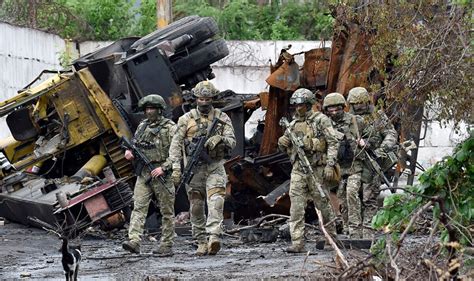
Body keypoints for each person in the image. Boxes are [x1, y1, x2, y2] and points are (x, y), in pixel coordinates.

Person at [168, 81, 236, 256]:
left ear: (212, 99)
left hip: (215, 166)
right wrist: (176, 168)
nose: (204, 102)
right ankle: (200, 240)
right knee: (196, 207)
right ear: (195, 99)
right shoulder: (185, 119)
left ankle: (214, 236)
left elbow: (232, 142)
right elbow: (175, 145)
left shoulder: (222, 118)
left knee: (216, 201)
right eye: (201, 99)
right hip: (194, 170)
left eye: (207, 99)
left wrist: (219, 139)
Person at [278, 88, 339, 253]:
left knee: (323, 204)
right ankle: (297, 242)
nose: (298, 108)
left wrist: (330, 165)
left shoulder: (321, 120)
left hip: (317, 168)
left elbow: (333, 142)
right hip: (298, 169)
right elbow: (286, 147)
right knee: (296, 206)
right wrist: (283, 142)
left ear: (309, 104)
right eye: (296, 105)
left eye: (302, 105)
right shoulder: (292, 124)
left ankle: (331, 237)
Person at [122, 94, 177, 255]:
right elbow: (135, 143)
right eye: (146, 109)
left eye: (152, 108)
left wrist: (164, 167)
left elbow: (177, 153)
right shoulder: (142, 126)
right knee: (138, 207)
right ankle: (134, 241)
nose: (149, 112)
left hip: (162, 174)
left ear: (160, 110)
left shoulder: (170, 128)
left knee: (166, 211)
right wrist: (129, 151)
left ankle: (166, 244)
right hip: (144, 173)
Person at [323, 92, 365, 238]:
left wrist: (366, 142)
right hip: (339, 168)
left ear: (343, 107)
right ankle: (346, 227)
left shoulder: (355, 120)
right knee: (341, 198)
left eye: (337, 109)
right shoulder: (325, 124)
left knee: (352, 193)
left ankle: (355, 229)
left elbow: (374, 133)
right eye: (330, 110)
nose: (334, 113)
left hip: (354, 166)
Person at [346, 87, 398, 203]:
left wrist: (381, 150)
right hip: (353, 163)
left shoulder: (377, 116)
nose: (359, 106)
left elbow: (391, 133)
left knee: (369, 198)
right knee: (350, 197)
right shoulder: (347, 119)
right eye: (356, 104)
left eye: (361, 103)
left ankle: (369, 221)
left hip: (373, 160)